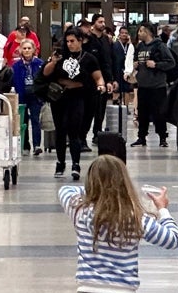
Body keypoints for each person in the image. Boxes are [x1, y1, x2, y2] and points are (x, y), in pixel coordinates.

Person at [58, 155, 178, 293]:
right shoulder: (136, 218)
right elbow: (172, 239)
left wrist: (97, 191)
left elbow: (65, 190)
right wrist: (163, 209)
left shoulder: (80, 211)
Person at [43, 28, 107, 180]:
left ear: (80, 41)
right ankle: (60, 162)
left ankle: (76, 164)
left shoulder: (89, 58)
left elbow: (98, 76)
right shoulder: (60, 55)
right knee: (60, 131)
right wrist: (53, 62)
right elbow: (46, 73)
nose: (69, 44)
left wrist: (101, 85)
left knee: (75, 131)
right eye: (67, 41)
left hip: (78, 97)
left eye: (73, 41)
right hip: (59, 98)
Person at [131, 22, 175, 147]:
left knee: (159, 113)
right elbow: (137, 60)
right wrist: (135, 66)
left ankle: (162, 137)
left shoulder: (159, 46)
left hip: (157, 86)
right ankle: (141, 137)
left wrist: (156, 65)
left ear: (147, 32)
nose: (138, 34)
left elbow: (171, 63)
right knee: (142, 112)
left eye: (140, 31)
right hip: (143, 85)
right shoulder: (139, 47)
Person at [12, 38, 46, 155]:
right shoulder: (16, 66)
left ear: (33, 50)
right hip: (22, 95)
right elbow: (13, 81)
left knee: (35, 119)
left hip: (35, 95)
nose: (27, 51)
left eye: (29, 48)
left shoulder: (40, 64)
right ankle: (25, 145)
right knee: (23, 121)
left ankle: (37, 145)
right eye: (24, 48)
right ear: (21, 50)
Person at [87, 14, 119, 135]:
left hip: (105, 78)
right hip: (91, 79)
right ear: (94, 23)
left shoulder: (107, 40)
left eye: (103, 22)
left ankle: (97, 132)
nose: (103, 24)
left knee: (101, 109)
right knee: (90, 108)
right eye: (100, 22)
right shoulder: (89, 39)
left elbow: (110, 60)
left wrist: (112, 79)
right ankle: (84, 134)